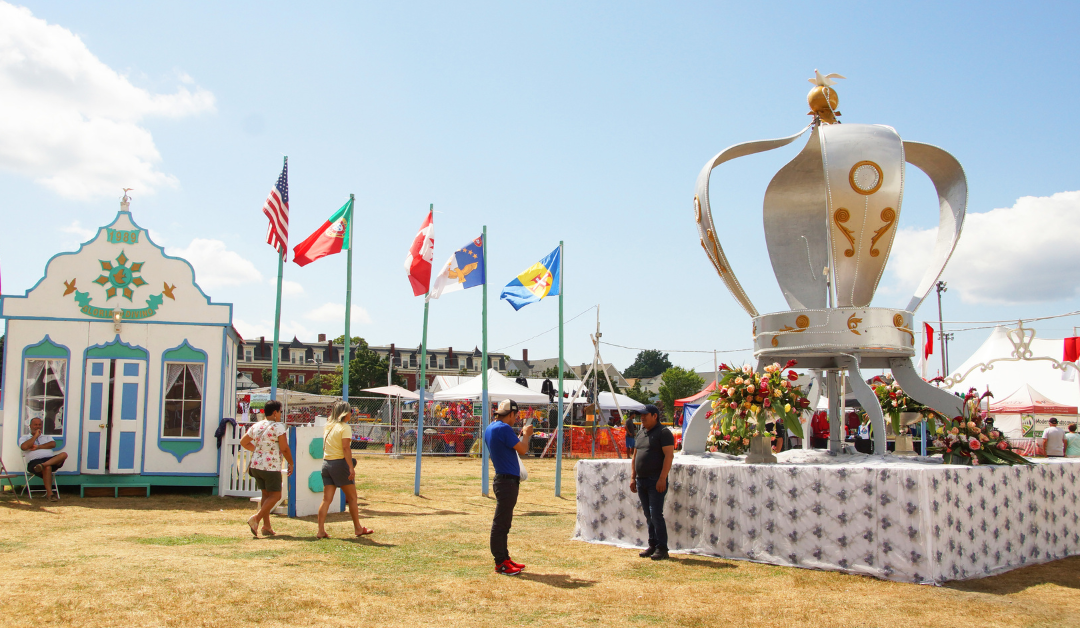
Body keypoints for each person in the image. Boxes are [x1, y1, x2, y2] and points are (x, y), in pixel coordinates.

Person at [484, 399, 533, 575]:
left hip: (501, 479)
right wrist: (526, 434)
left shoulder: (491, 427)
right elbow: (523, 449)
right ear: (511, 414)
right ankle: (501, 562)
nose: (516, 419)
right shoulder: (504, 428)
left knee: (503, 523)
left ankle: (504, 558)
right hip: (507, 481)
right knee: (501, 524)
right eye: (515, 415)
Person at [317, 401, 373, 538]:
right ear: (345, 413)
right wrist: (350, 467)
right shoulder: (344, 428)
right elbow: (345, 448)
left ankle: (320, 530)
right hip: (339, 464)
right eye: (350, 412)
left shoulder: (328, 427)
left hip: (326, 464)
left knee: (326, 500)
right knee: (352, 498)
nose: (351, 414)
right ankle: (358, 528)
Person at [240, 400, 294, 537]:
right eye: (280, 412)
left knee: (266, 495)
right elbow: (284, 448)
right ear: (275, 412)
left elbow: (243, 442)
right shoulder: (278, 427)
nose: (281, 414)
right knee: (276, 495)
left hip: (256, 466)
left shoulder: (256, 426)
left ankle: (266, 526)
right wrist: (291, 463)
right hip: (270, 467)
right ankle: (256, 519)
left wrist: (258, 450)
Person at [629, 404, 674, 561]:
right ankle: (653, 544)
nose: (642, 418)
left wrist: (662, 478)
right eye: (640, 415)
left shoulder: (664, 433)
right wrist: (633, 477)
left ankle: (662, 548)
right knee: (648, 515)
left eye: (645, 415)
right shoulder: (641, 433)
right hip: (641, 480)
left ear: (655, 416)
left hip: (656, 480)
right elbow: (635, 456)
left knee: (656, 514)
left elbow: (669, 456)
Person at [19, 418, 68, 501]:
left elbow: (53, 444)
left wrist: (38, 447)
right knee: (48, 467)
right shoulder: (24, 438)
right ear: (30, 426)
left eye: (39, 425)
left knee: (64, 454)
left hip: (49, 459)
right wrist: (35, 436)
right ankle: (50, 494)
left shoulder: (46, 437)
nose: (38, 426)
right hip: (34, 462)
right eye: (35, 424)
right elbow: (24, 447)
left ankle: (42, 465)